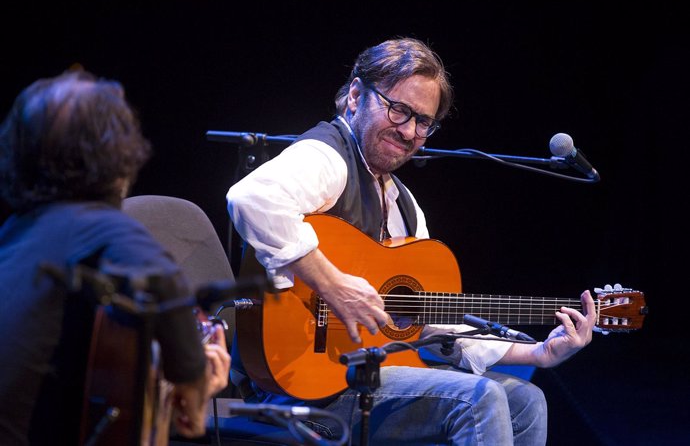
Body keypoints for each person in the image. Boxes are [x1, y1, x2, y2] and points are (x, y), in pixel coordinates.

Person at [226, 37, 596, 445]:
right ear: (355, 95)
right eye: (399, 110)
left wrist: (538, 353)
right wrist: (331, 284)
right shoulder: (326, 157)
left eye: (423, 122)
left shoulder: (403, 204)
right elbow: (252, 198)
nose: (409, 132)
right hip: (294, 380)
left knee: (526, 399)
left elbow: (428, 318)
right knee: (479, 399)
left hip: (358, 373)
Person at [0, 69, 230, 445]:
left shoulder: (14, 231)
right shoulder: (101, 227)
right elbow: (162, 281)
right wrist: (192, 378)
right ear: (116, 151)